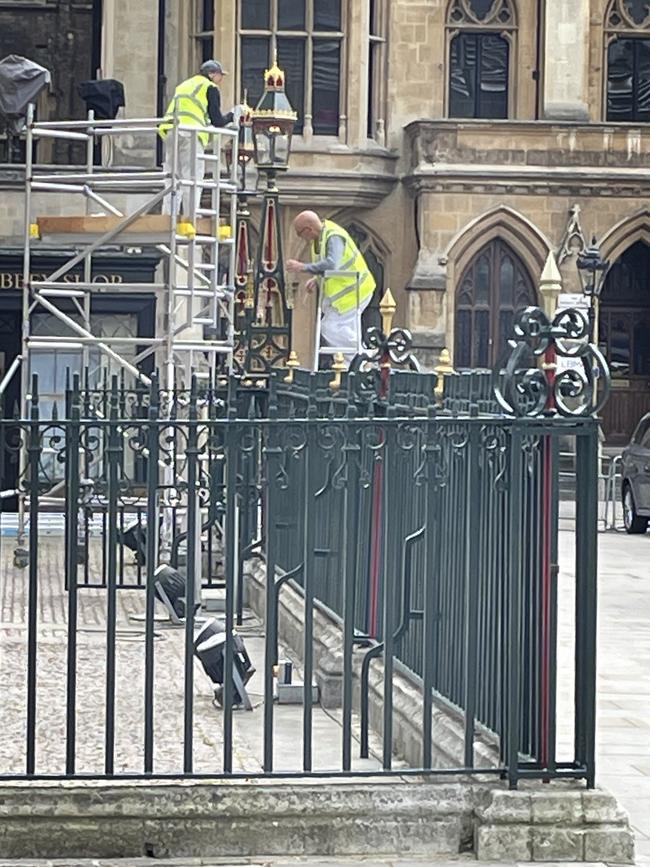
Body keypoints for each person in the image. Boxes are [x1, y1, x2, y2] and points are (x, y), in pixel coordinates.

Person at [286, 211, 376, 364]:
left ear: (308, 230)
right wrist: (316, 278)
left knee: (330, 328)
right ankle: (355, 364)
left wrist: (303, 267)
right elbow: (331, 267)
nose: (302, 239)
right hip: (343, 295)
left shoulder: (333, 236)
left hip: (354, 290)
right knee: (341, 330)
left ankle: (364, 357)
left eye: (300, 234)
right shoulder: (320, 239)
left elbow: (332, 263)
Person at [158, 60, 239, 216]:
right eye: (220, 75)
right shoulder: (210, 87)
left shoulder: (184, 85)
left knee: (172, 176)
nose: (221, 80)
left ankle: (168, 215)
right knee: (193, 176)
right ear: (212, 74)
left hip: (172, 132)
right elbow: (217, 120)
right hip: (190, 133)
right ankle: (191, 215)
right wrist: (232, 116)